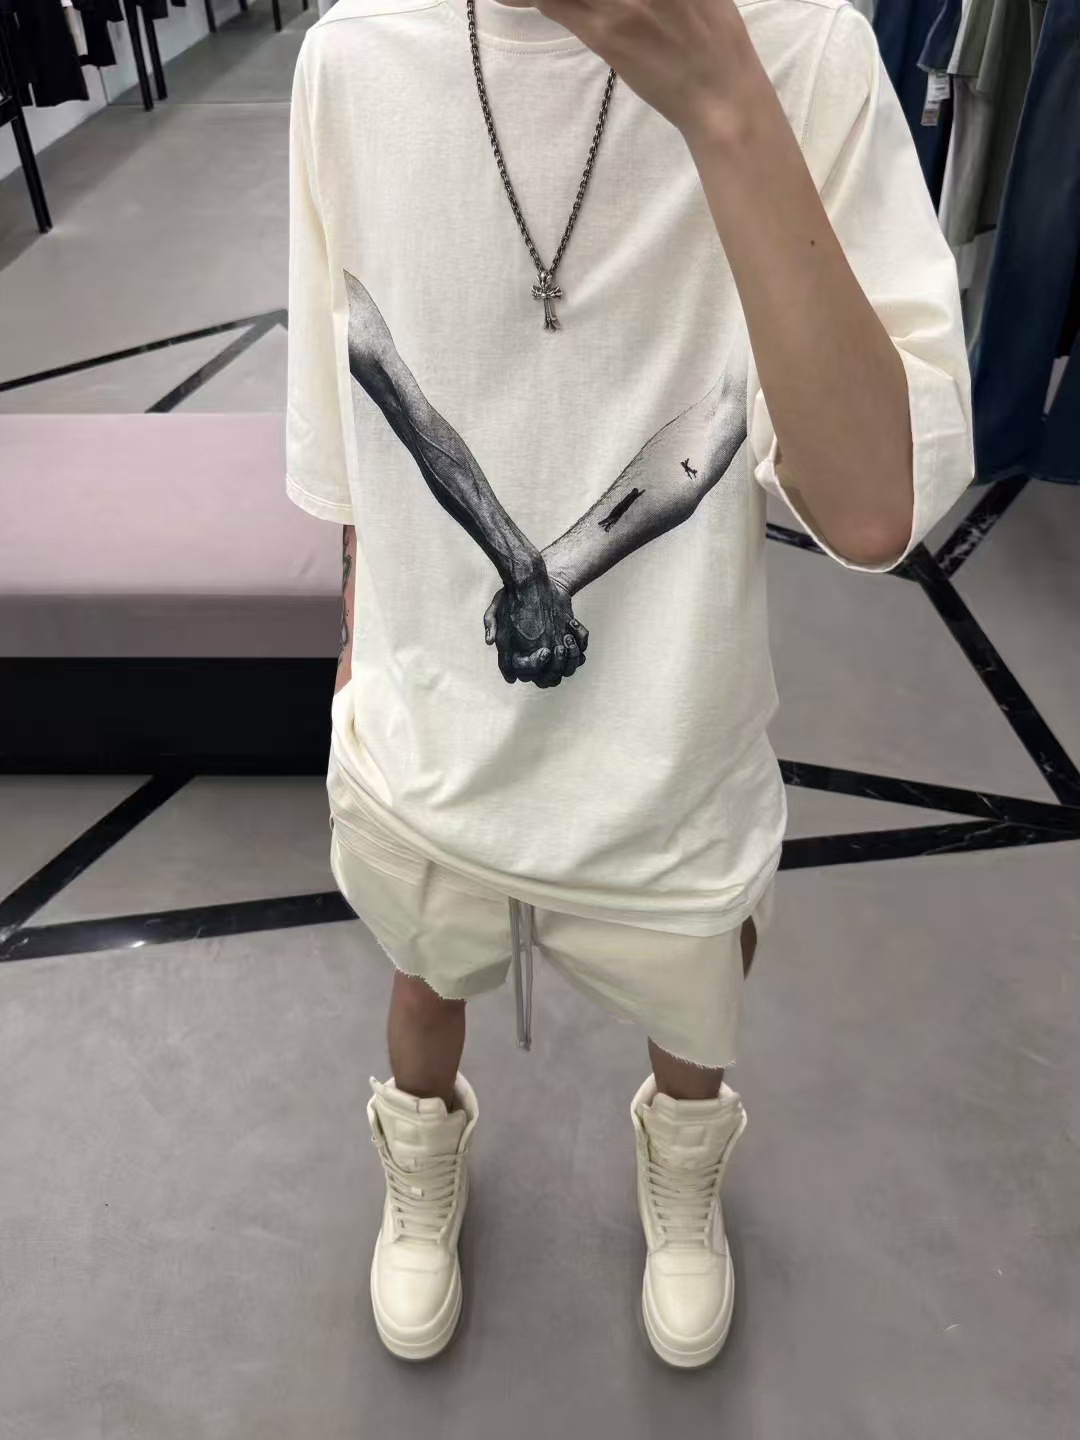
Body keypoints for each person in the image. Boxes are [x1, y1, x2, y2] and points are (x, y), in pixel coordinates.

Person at [286, 0, 974, 1369]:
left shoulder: (801, 52)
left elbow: (872, 505)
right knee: (421, 977)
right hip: (429, 735)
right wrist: (368, 635)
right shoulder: (356, 55)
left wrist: (724, 102)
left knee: (691, 1017)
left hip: (673, 747)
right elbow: (353, 392)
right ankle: (421, 1148)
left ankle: (683, 1165)